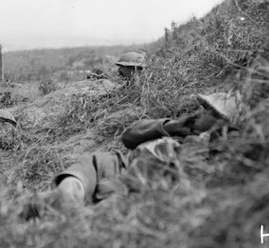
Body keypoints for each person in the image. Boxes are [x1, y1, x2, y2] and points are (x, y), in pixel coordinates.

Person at [20, 91, 242, 219]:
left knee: (82, 215)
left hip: (132, 190)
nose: (201, 113)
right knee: (66, 192)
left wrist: (197, 145)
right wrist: (172, 126)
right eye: (204, 108)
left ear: (223, 124)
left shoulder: (213, 154)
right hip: (107, 167)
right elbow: (129, 137)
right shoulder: (178, 129)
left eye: (210, 111)